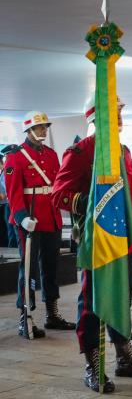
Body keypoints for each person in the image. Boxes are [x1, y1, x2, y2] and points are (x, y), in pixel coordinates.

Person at [52, 97, 132, 393]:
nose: (121, 115)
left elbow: (130, 199)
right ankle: (93, 363)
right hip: (97, 241)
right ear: (96, 115)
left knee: (121, 298)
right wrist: (88, 202)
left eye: (122, 110)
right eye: (115, 110)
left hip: (122, 239)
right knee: (92, 302)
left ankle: (124, 357)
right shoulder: (82, 151)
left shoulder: (123, 151)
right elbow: (59, 193)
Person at [4, 111, 75, 340]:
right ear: (29, 130)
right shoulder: (16, 157)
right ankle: (26, 317)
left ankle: (52, 314)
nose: (44, 130)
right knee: (29, 271)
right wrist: (23, 216)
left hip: (50, 218)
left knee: (50, 268)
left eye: (46, 126)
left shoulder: (52, 155)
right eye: (40, 126)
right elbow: (14, 192)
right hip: (29, 221)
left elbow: (56, 186)